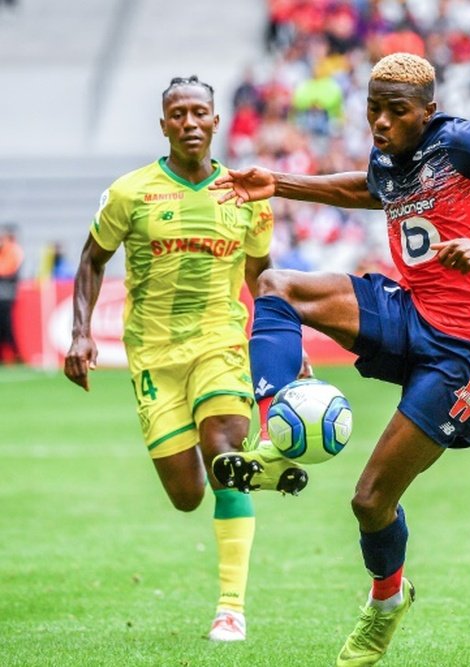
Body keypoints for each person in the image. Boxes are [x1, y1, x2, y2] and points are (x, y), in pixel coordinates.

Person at [210, 52, 470, 666]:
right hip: (417, 315)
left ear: (428, 112)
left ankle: (386, 602)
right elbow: (371, 189)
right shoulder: (389, 158)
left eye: (396, 111)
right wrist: (280, 184)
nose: (381, 123)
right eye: (373, 109)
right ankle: (275, 439)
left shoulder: (466, 143)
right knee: (277, 286)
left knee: (369, 501)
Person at [63, 75, 303, 643]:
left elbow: (262, 277)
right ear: (164, 123)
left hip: (219, 342)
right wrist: (80, 333)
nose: (190, 123)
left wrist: (287, 341)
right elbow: (92, 259)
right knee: (187, 495)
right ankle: (260, 467)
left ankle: (230, 609)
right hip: (153, 356)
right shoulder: (130, 193)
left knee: (223, 451)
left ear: (217, 122)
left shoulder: (246, 196)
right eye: (179, 114)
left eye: (200, 113)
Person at [0, 224, 23, 364]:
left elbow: (6, 270)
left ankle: (15, 353)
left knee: (6, 324)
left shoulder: (14, 250)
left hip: (7, 295)